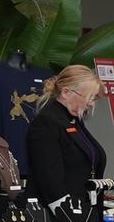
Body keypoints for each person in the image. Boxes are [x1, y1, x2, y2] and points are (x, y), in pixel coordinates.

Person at [26, 65, 106, 207]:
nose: (91, 103)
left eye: (94, 98)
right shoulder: (46, 123)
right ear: (65, 92)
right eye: (88, 97)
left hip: (83, 212)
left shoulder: (74, 119)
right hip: (62, 218)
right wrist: (70, 217)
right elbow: (50, 181)